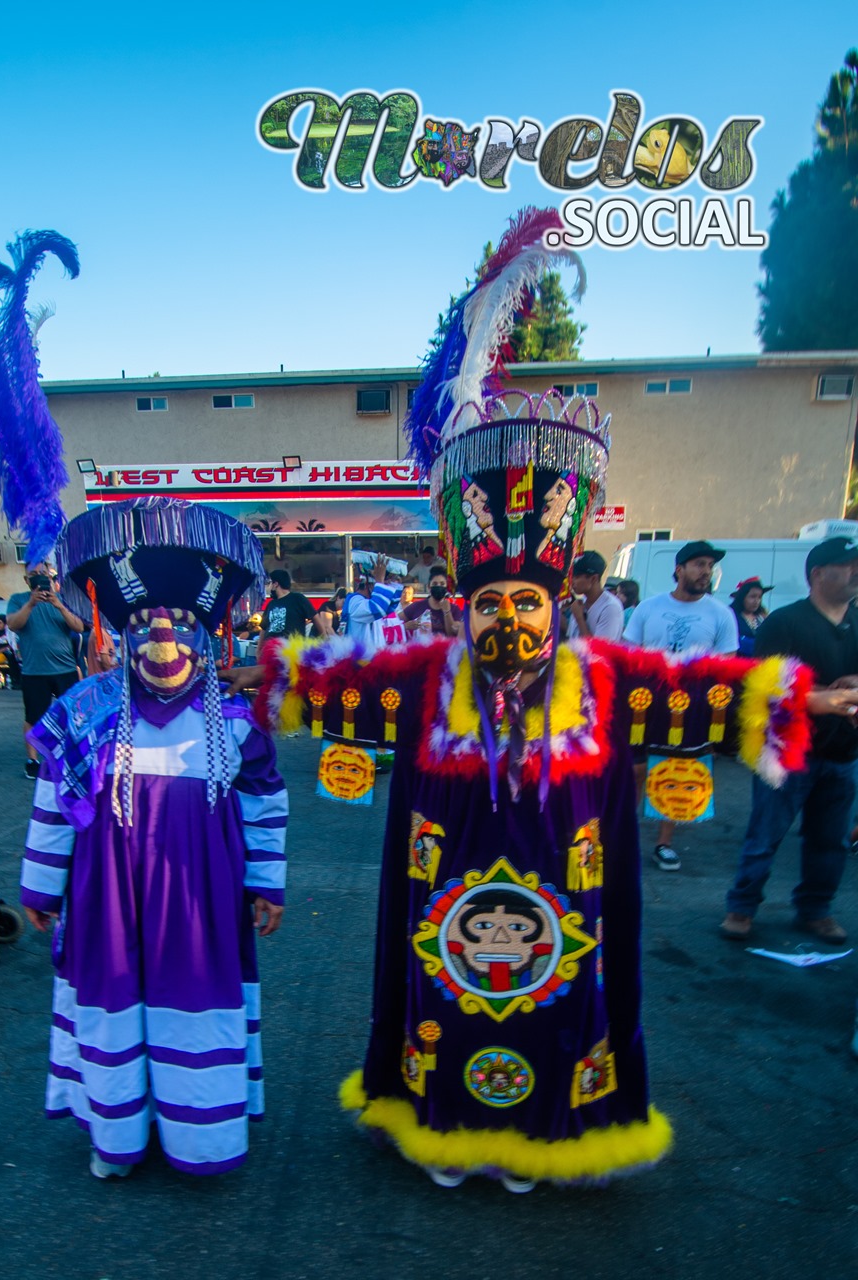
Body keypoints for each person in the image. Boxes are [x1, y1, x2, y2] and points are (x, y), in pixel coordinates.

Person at [230, 207, 810, 1192]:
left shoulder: (604, 673)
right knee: (441, 1001)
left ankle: (540, 1134)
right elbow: (337, 680)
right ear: (466, 600)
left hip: (561, 893)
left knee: (553, 1002)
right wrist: (273, 676)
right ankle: (440, 1127)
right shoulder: (424, 673)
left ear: (559, 600)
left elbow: (696, 694)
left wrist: (793, 696)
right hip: (441, 896)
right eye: (489, 599)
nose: (508, 616)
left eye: (526, 599)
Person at [20, 497, 286, 1178]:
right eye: (143, 623)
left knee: (196, 1006)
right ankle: (120, 1137)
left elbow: (262, 798)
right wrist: (42, 886)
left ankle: (201, 1137)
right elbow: (53, 802)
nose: (163, 640)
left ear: (208, 636)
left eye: (181, 625)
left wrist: (266, 882)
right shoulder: (84, 711)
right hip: (108, 898)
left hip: (203, 903)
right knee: (114, 1002)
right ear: (119, 633)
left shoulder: (235, 718)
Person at [721, 536, 858, 943]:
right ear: (817, 574)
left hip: (843, 754)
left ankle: (815, 909)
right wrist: (821, 700)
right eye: (847, 565)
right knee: (765, 836)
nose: (855, 572)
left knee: (830, 840)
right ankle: (741, 908)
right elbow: (763, 688)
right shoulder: (784, 622)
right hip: (786, 753)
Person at [623, 541, 739, 871]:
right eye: (699, 564)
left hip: (693, 706)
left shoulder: (721, 613)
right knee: (635, 769)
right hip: (647, 700)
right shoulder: (649, 606)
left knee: (676, 770)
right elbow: (630, 653)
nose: (706, 571)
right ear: (679, 569)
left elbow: (726, 664)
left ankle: (664, 842)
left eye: (709, 566)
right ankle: (626, 834)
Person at [6, 563, 83, 779]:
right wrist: (30, 604)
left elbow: (78, 626)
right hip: (34, 670)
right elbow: (12, 624)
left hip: (65, 668)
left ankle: (70, 755)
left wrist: (58, 604)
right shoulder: (18, 599)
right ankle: (32, 760)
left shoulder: (63, 599)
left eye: (43, 574)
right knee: (33, 716)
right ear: (26, 579)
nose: (39, 578)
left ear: (51, 576)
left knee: (70, 714)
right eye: (34, 575)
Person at [341, 557, 403, 654]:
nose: (385, 586)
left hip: (373, 661)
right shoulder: (355, 601)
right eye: (381, 585)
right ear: (367, 584)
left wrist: (392, 580)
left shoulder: (370, 600)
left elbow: (391, 605)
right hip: (360, 664)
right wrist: (379, 580)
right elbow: (377, 608)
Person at [257, 569, 321, 656]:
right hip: (271, 652)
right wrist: (259, 651)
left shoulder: (297, 598)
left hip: (291, 652)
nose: (268, 586)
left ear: (276, 584)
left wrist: (323, 638)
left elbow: (315, 617)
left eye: (270, 582)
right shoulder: (271, 604)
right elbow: (264, 628)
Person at [567, 550, 625, 641]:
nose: (572, 581)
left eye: (576, 577)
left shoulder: (610, 608)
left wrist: (580, 619)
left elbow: (598, 650)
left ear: (594, 579)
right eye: (571, 576)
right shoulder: (580, 603)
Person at [401, 564, 461, 637]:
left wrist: (447, 612)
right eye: (435, 583)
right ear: (429, 587)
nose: (438, 586)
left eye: (442, 584)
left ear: (446, 587)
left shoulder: (454, 609)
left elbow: (452, 635)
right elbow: (393, 621)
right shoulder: (417, 606)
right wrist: (405, 627)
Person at [730, 576, 772, 657]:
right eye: (752, 597)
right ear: (742, 598)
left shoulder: (763, 616)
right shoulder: (731, 615)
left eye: (759, 597)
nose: (757, 601)